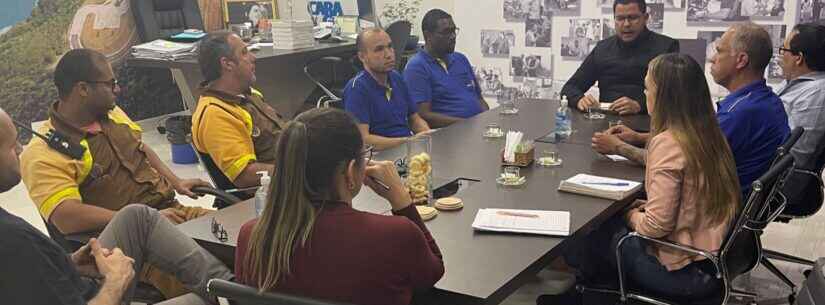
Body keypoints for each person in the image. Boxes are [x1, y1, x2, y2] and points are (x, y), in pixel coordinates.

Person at [540, 53, 741, 304]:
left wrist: (628, 215)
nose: (645, 94)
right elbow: (687, 196)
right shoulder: (708, 133)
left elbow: (655, 227)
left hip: (682, 271)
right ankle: (590, 293)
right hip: (712, 261)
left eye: (647, 88)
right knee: (607, 225)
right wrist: (643, 208)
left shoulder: (668, 143)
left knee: (589, 231)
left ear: (665, 97)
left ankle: (588, 297)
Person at [18, 48, 215, 298]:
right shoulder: (43, 152)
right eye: (111, 84)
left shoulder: (111, 113)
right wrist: (144, 219)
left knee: (247, 245)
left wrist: (176, 181)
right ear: (83, 89)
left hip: (174, 212)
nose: (117, 90)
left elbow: (140, 147)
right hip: (130, 247)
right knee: (207, 286)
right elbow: (66, 217)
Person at [0, 107, 234, 305]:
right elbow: (65, 218)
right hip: (100, 296)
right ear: (83, 89)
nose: (20, 150)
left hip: (160, 215)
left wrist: (68, 262)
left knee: (138, 216)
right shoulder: (12, 238)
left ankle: (234, 291)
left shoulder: (14, 239)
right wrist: (115, 282)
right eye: (12, 146)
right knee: (201, 298)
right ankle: (237, 294)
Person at [234, 108, 444, 305]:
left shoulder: (251, 236)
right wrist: (402, 201)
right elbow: (432, 273)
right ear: (351, 171)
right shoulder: (395, 234)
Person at [592, 22, 789, 193]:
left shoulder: (739, 114)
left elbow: (675, 162)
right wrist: (638, 137)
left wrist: (618, 147)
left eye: (719, 51)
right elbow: (693, 142)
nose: (712, 59)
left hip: (714, 212)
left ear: (741, 60)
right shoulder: (763, 100)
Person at [191, 31, 287, 189]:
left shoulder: (247, 94)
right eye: (244, 53)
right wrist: (298, 171)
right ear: (227, 64)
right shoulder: (215, 114)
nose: (253, 58)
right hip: (277, 193)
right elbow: (244, 175)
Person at [561, 0, 679, 115]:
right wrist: (579, 99)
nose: (626, 24)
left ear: (646, 18)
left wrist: (639, 105)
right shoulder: (602, 48)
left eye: (633, 18)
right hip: (606, 124)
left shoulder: (666, 47)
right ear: (614, 19)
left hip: (647, 124)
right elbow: (570, 88)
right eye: (620, 18)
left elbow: (674, 94)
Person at [344, 28, 431, 150]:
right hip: (380, 157)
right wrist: (408, 142)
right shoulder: (357, 89)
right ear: (362, 57)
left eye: (390, 47)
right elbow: (363, 140)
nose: (389, 54)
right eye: (379, 50)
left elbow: (414, 119)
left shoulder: (396, 78)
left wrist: (428, 135)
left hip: (406, 149)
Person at [404, 9, 490, 128]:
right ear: (428, 35)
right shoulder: (417, 67)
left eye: (454, 31)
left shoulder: (460, 59)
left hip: (477, 129)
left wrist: (487, 119)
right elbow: (422, 115)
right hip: (449, 135)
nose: (453, 36)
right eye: (446, 32)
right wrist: (466, 124)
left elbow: (479, 99)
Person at [775, 23, 825, 203]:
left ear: (799, 58)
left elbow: (793, 154)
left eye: (784, 50)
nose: (780, 56)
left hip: (777, 184)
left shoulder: (817, 94)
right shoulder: (793, 83)